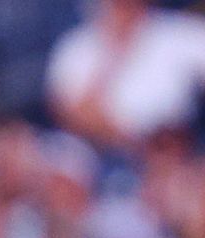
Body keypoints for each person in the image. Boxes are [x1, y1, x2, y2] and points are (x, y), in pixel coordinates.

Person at [48, 0, 205, 148]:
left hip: (179, 150)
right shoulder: (77, 46)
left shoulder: (182, 33)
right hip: (106, 157)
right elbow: (69, 115)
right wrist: (114, 52)